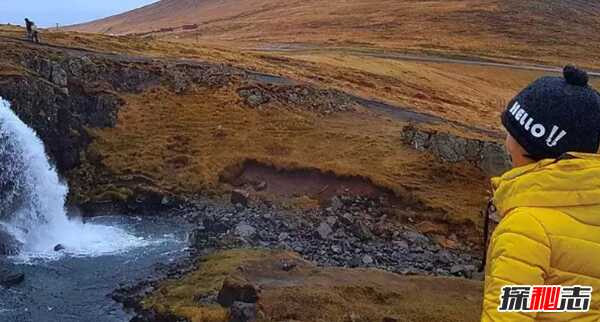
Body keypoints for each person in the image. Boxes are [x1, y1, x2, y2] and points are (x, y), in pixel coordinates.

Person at [482, 65, 600, 321]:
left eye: (510, 133)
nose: (506, 141)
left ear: (528, 143)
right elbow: (584, 298)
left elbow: (509, 314)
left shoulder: (526, 227)